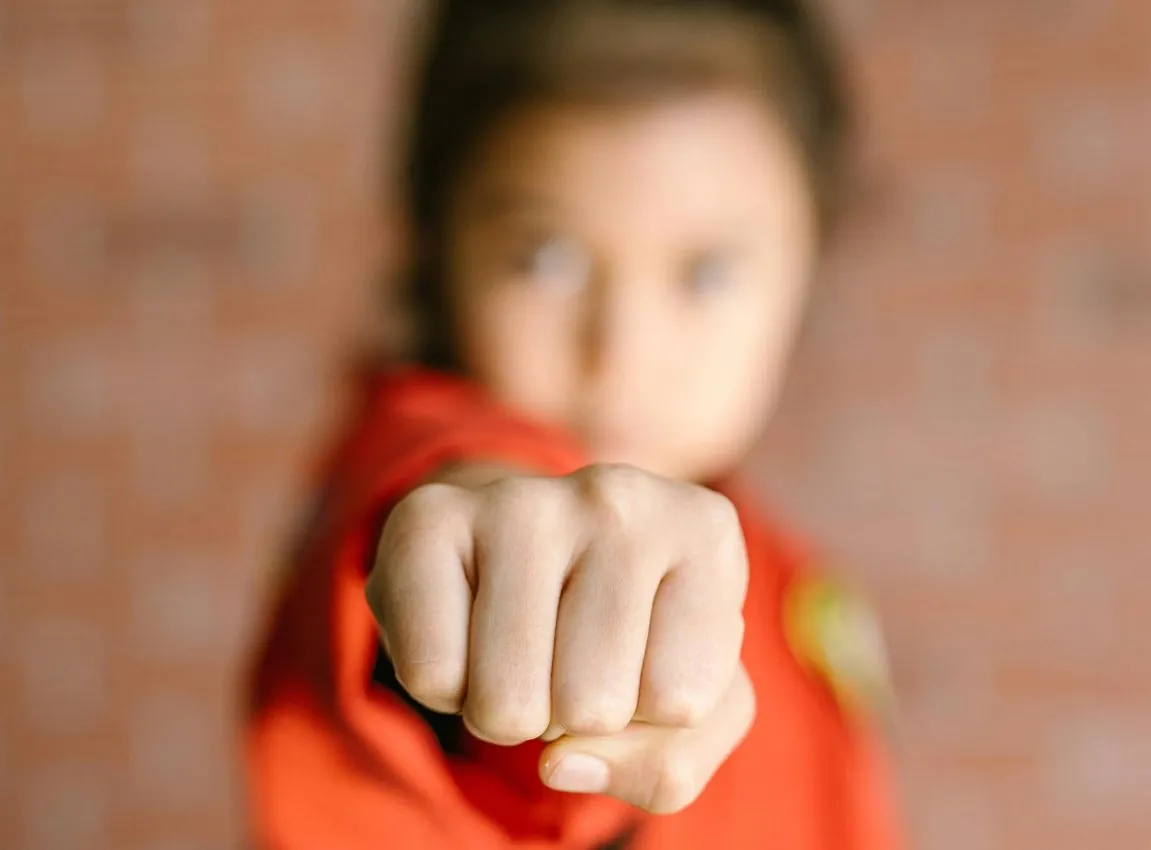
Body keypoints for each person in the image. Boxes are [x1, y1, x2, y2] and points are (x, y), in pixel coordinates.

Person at [245, 0, 903, 847]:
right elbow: (463, 504)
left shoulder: (796, 586)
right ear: (438, 251)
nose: (621, 351)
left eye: (708, 271)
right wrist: (501, 565)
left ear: (809, 260)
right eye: (546, 258)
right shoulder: (405, 498)